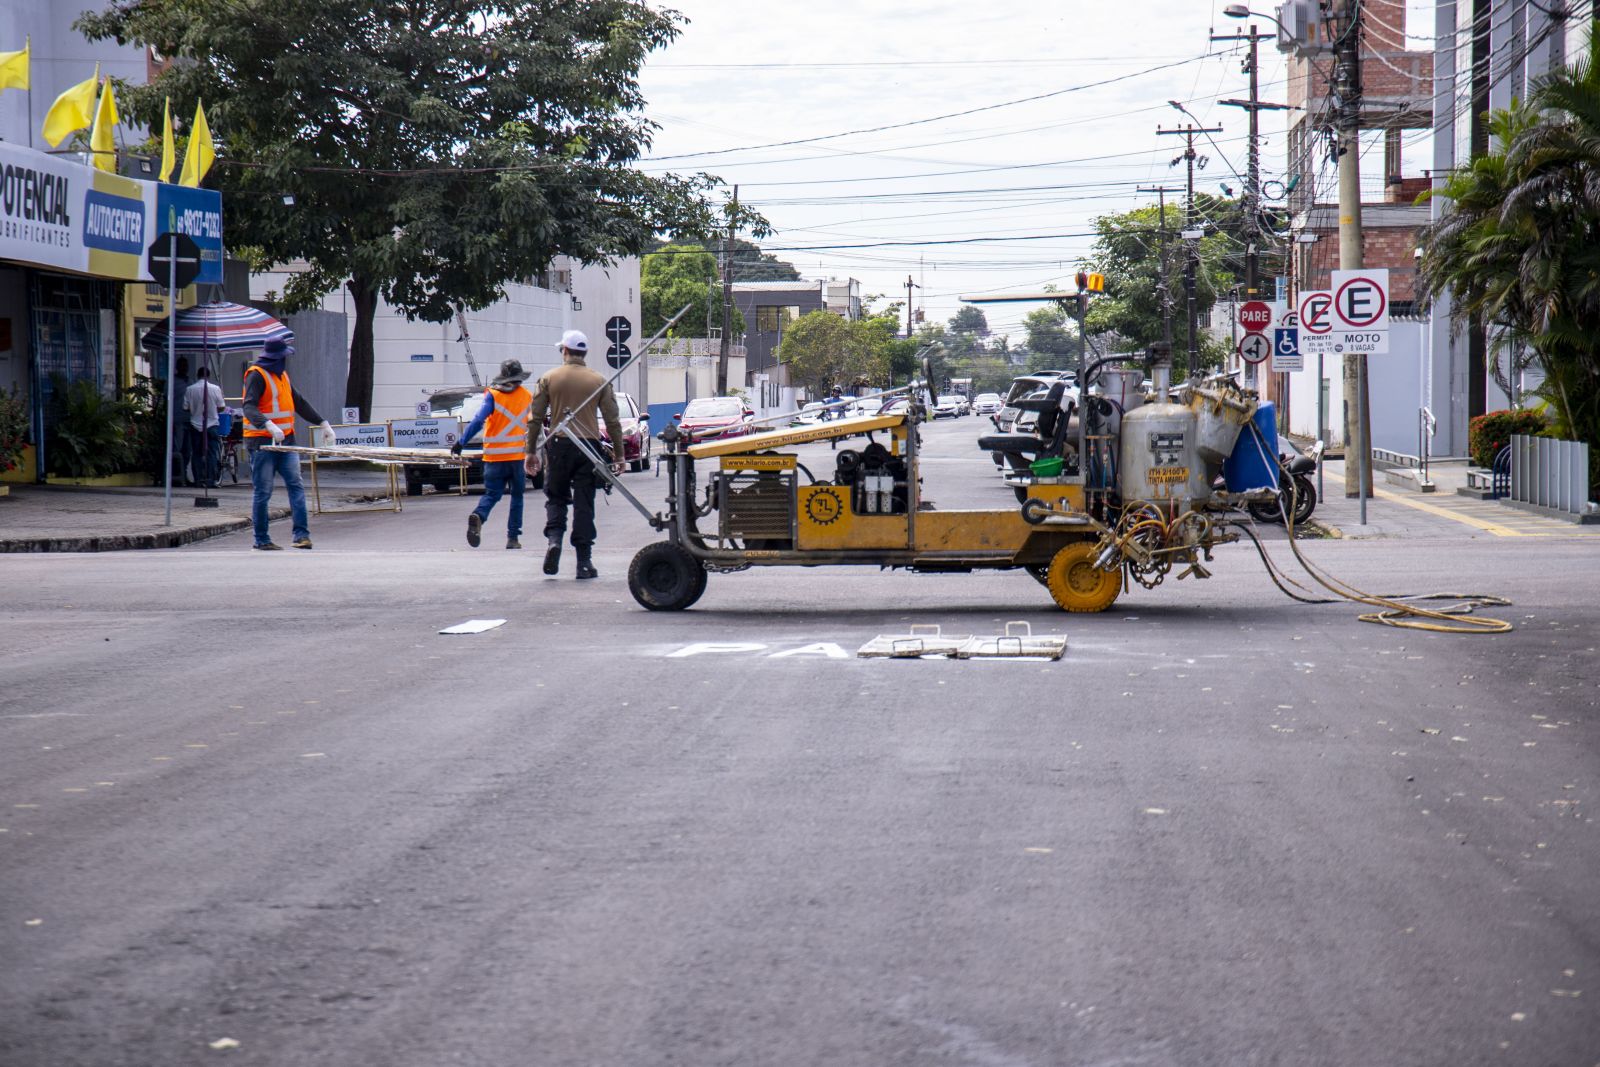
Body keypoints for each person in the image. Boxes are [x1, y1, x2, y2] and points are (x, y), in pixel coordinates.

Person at [524, 330, 624, 579]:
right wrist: (620, 455)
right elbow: (613, 421)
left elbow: (534, 419)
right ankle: (584, 562)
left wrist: (531, 452)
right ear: (585, 353)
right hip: (589, 447)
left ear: (565, 351)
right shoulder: (598, 380)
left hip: (559, 445)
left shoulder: (549, 378)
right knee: (584, 503)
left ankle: (554, 541)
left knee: (556, 497)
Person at [242, 338, 335, 550]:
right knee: (263, 491)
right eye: (284, 356)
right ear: (276, 357)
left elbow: (299, 402)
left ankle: (301, 536)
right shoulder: (256, 375)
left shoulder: (282, 375)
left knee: (296, 486)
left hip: (287, 441)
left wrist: (323, 422)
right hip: (262, 443)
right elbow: (248, 407)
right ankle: (262, 539)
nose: (285, 360)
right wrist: (267, 425)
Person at [451, 359, 533, 550]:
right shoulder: (527, 396)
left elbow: (478, 421)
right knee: (517, 497)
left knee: (493, 494)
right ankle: (513, 538)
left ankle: (479, 515)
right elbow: (533, 423)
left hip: (494, 458)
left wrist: (461, 442)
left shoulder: (493, 395)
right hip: (517, 458)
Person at [182, 366, 226, 488]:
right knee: (212, 453)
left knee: (196, 453)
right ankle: (210, 480)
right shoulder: (215, 388)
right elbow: (222, 406)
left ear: (197, 375)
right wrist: (213, 409)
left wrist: (195, 409)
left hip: (195, 425)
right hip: (211, 425)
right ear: (209, 376)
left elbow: (185, 408)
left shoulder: (190, 389)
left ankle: (198, 480)